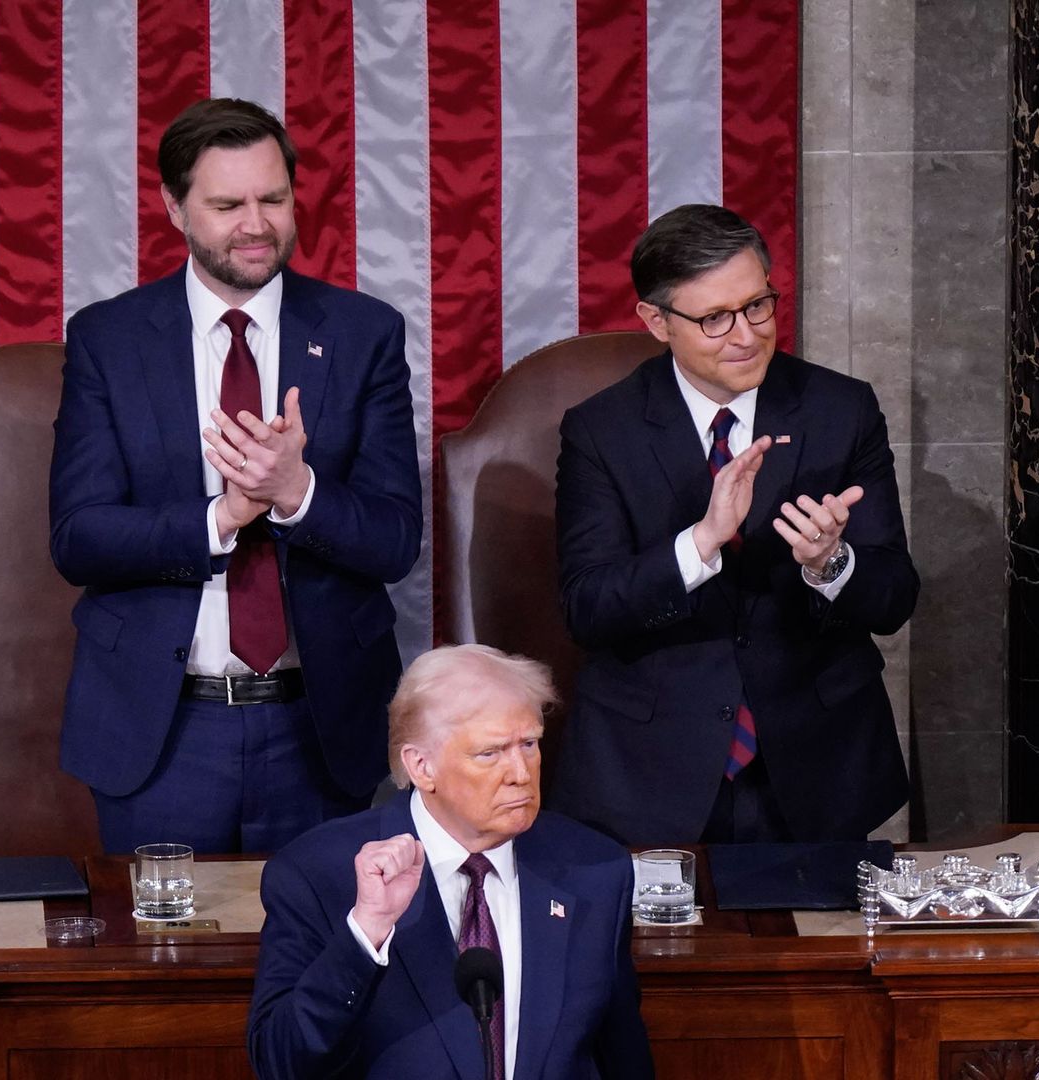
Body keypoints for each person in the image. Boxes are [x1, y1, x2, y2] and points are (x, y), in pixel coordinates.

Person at [49, 98, 421, 854]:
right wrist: (221, 517)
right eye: (227, 204)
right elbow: (78, 537)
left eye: (274, 199)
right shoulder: (109, 340)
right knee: (164, 965)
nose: (257, 224)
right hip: (163, 731)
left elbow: (394, 541)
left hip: (318, 730)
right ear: (174, 207)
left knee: (327, 962)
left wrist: (296, 495)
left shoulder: (361, 334)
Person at [552, 203, 919, 846]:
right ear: (656, 321)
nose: (747, 335)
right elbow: (588, 608)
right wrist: (700, 544)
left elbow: (893, 597)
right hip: (652, 770)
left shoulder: (842, 409)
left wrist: (829, 564)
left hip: (817, 763)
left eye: (758, 306)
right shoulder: (600, 431)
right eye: (715, 318)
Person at [248, 645, 654, 1080]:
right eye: (490, 753)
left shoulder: (595, 870)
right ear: (422, 766)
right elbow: (281, 1062)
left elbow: (622, 1055)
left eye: (530, 744)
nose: (521, 772)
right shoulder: (317, 874)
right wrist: (365, 932)